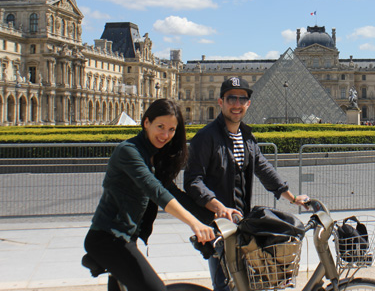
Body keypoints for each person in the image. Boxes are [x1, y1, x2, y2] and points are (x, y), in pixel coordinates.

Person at [185, 77, 309, 291]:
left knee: (246, 283)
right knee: (225, 285)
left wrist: (291, 197)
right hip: (218, 226)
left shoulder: (246, 136)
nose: (237, 104)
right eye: (231, 98)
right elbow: (193, 181)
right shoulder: (206, 138)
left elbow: (264, 168)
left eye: (242, 99)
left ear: (248, 104)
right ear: (220, 102)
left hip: (241, 223)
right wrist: (219, 207)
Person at [84, 99, 215, 291]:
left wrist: (214, 216)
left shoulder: (155, 155)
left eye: (171, 130)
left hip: (126, 238)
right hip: (108, 238)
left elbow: (172, 192)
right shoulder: (128, 152)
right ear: (146, 123)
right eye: (160, 127)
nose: (165, 135)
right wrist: (194, 224)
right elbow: (156, 191)